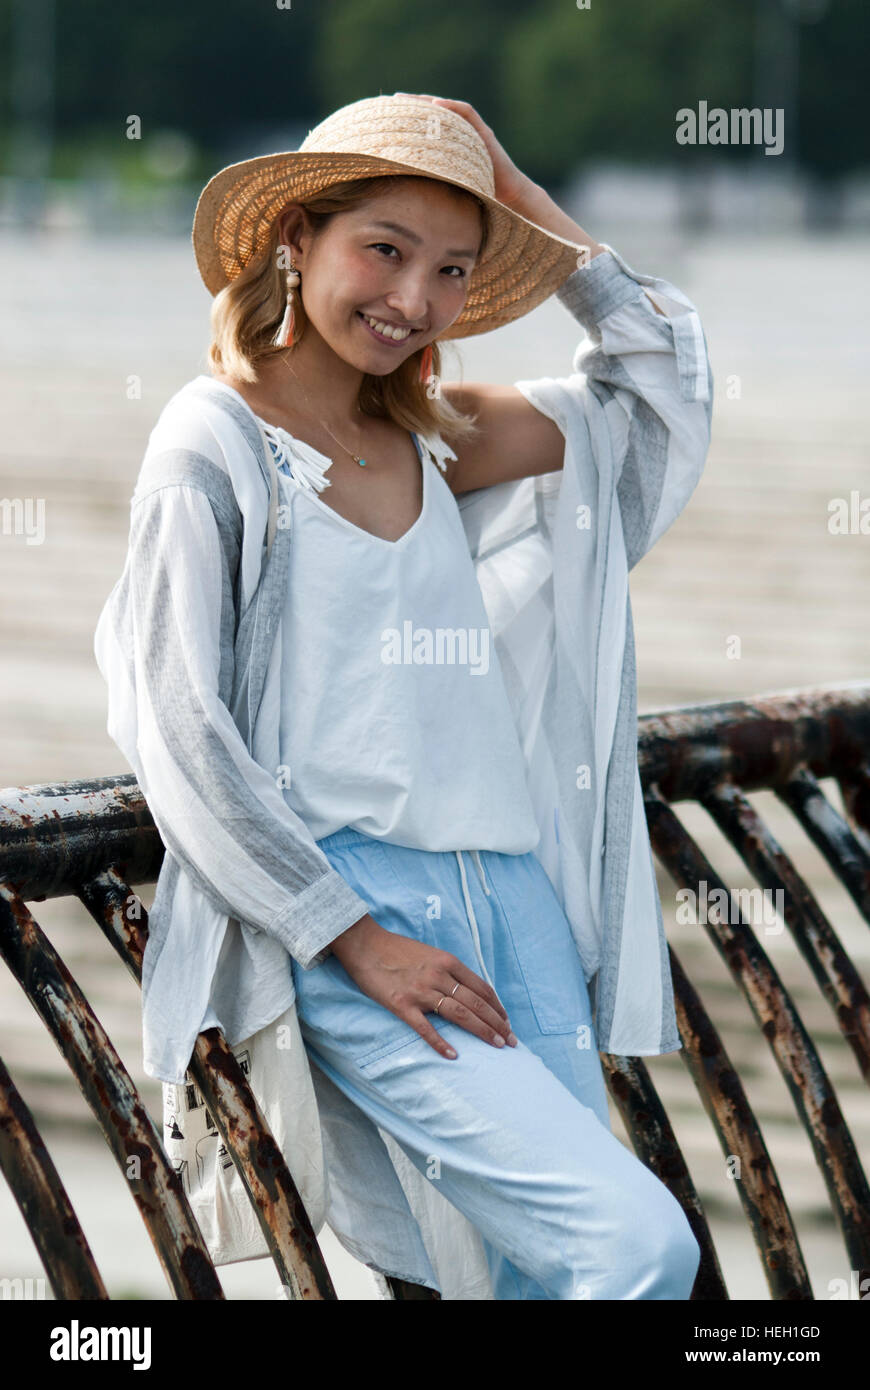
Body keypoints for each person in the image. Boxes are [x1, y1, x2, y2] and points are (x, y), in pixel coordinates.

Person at [94, 92, 713, 1299]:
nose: (414, 299)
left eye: (454, 268)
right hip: (355, 907)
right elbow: (175, 724)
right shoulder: (213, 446)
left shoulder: (434, 432)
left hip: (514, 901)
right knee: (640, 1247)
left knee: (535, 1281)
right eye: (382, 248)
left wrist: (525, 203)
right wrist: (349, 935)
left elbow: (657, 390)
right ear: (295, 240)